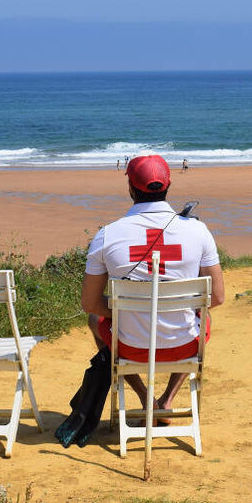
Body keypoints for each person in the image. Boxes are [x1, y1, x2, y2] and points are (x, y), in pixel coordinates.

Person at [81, 154, 225, 418]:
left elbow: (90, 303)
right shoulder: (198, 231)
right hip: (185, 345)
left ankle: (144, 395)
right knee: (204, 318)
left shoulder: (108, 234)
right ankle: (167, 399)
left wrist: (131, 311)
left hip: (129, 347)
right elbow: (216, 297)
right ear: (168, 186)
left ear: (130, 188)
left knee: (94, 318)